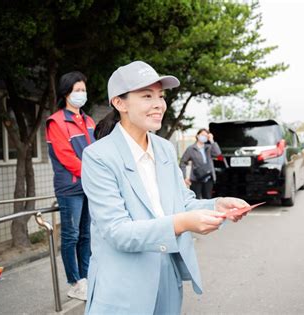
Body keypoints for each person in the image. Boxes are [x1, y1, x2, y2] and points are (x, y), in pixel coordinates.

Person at [81, 61, 249, 314]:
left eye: (160, 96)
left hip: (167, 275)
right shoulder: (98, 156)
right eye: (147, 96)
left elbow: (182, 203)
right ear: (120, 103)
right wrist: (181, 223)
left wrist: (217, 204)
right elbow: (117, 231)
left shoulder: (165, 149)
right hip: (123, 285)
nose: (159, 104)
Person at [45, 71, 95, 300]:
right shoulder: (56, 121)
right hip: (71, 187)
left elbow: (96, 152)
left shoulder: (88, 120)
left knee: (86, 234)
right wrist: (93, 175)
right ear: (66, 93)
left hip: (89, 186)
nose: (81, 94)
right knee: (71, 235)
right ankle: (74, 282)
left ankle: (86, 277)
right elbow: (66, 157)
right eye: (77, 90)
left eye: (83, 90)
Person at [179, 128, 221, 199]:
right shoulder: (191, 149)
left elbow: (218, 155)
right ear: (197, 136)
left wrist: (212, 141)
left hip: (208, 178)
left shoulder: (209, 147)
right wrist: (184, 177)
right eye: (202, 135)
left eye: (206, 135)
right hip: (196, 178)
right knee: (196, 199)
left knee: (208, 198)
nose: (204, 137)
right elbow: (183, 162)